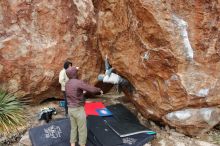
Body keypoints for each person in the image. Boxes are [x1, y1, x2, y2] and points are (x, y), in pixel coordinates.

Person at [65, 67, 103, 146]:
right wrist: (99, 89)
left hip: (70, 109)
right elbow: (92, 89)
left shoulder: (67, 83)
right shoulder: (78, 82)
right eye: (76, 72)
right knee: (82, 129)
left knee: (73, 128)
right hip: (78, 109)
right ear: (75, 74)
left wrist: (82, 93)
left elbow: (74, 95)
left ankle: (72, 144)